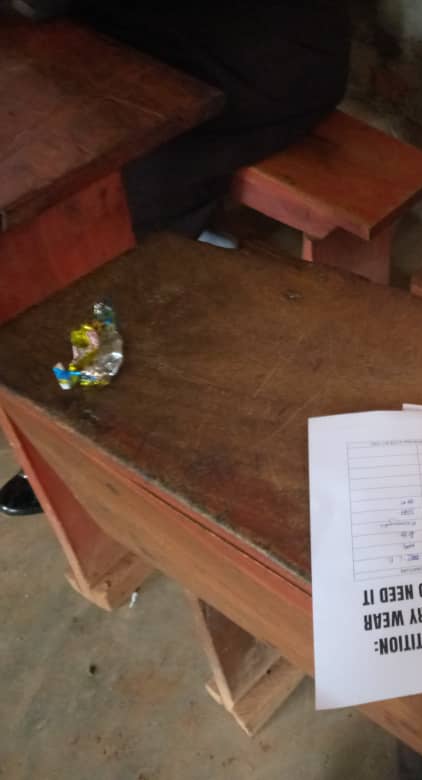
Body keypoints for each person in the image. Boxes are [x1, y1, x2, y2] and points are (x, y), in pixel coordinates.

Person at [1, 0, 352, 515]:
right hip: (127, 27)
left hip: (252, 49)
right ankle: (77, 401)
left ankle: (95, 422)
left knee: (102, 201)